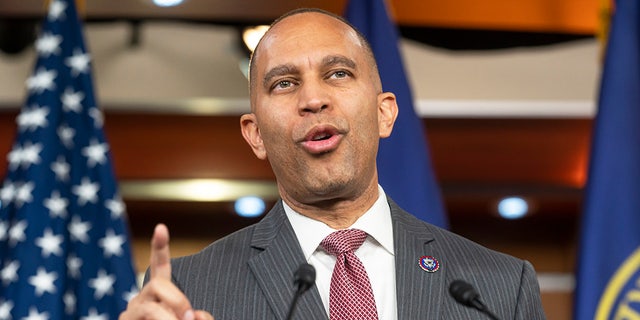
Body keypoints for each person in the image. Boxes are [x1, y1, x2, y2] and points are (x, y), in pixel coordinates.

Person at [120, 8, 546, 320]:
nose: (313, 99)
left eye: (338, 73)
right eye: (284, 83)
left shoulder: (500, 289)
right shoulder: (190, 292)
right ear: (254, 134)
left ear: (384, 113)